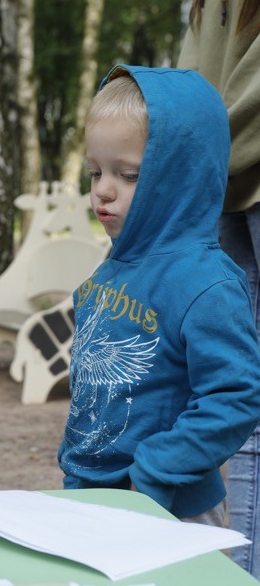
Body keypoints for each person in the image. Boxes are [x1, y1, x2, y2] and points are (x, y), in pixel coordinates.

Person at [57, 65, 260, 530]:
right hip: (91, 497)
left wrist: (154, 470)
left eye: (128, 175)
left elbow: (236, 395)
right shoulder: (108, 274)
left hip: (171, 508)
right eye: (95, 172)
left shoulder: (206, 283)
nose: (103, 190)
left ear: (182, 177)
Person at [177, 0, 260, 575]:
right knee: (235, 403)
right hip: (224, 184)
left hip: (218, 173)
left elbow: (193, 81)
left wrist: (189, 148)